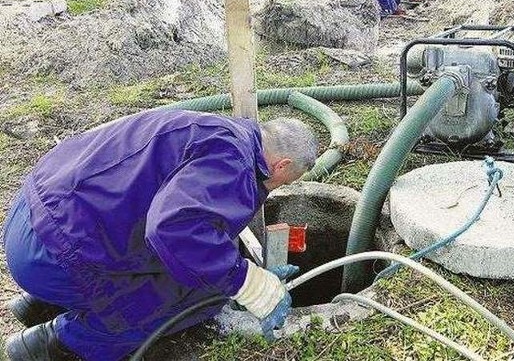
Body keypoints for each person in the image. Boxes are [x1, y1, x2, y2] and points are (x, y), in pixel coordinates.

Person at [2, 110, 318, 361]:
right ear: (282, 164)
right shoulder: (232, 165)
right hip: (54, 254)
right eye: (286, 182)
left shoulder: (220, 130)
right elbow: (173, 228)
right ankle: (54, 344)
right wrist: (248, 283)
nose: (281, 187)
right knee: (192, 296)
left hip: (32, 213)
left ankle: (38, 305)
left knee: (182, 266)